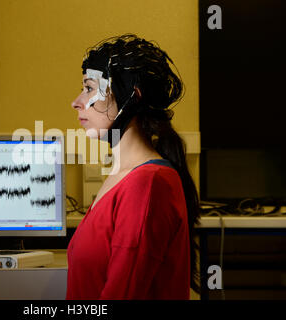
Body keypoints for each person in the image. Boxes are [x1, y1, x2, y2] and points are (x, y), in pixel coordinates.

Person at [67, 34, 201, 299]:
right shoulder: (121, 176)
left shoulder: (148, 184)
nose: (77, 102)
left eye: (90, 88)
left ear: (132, 96)